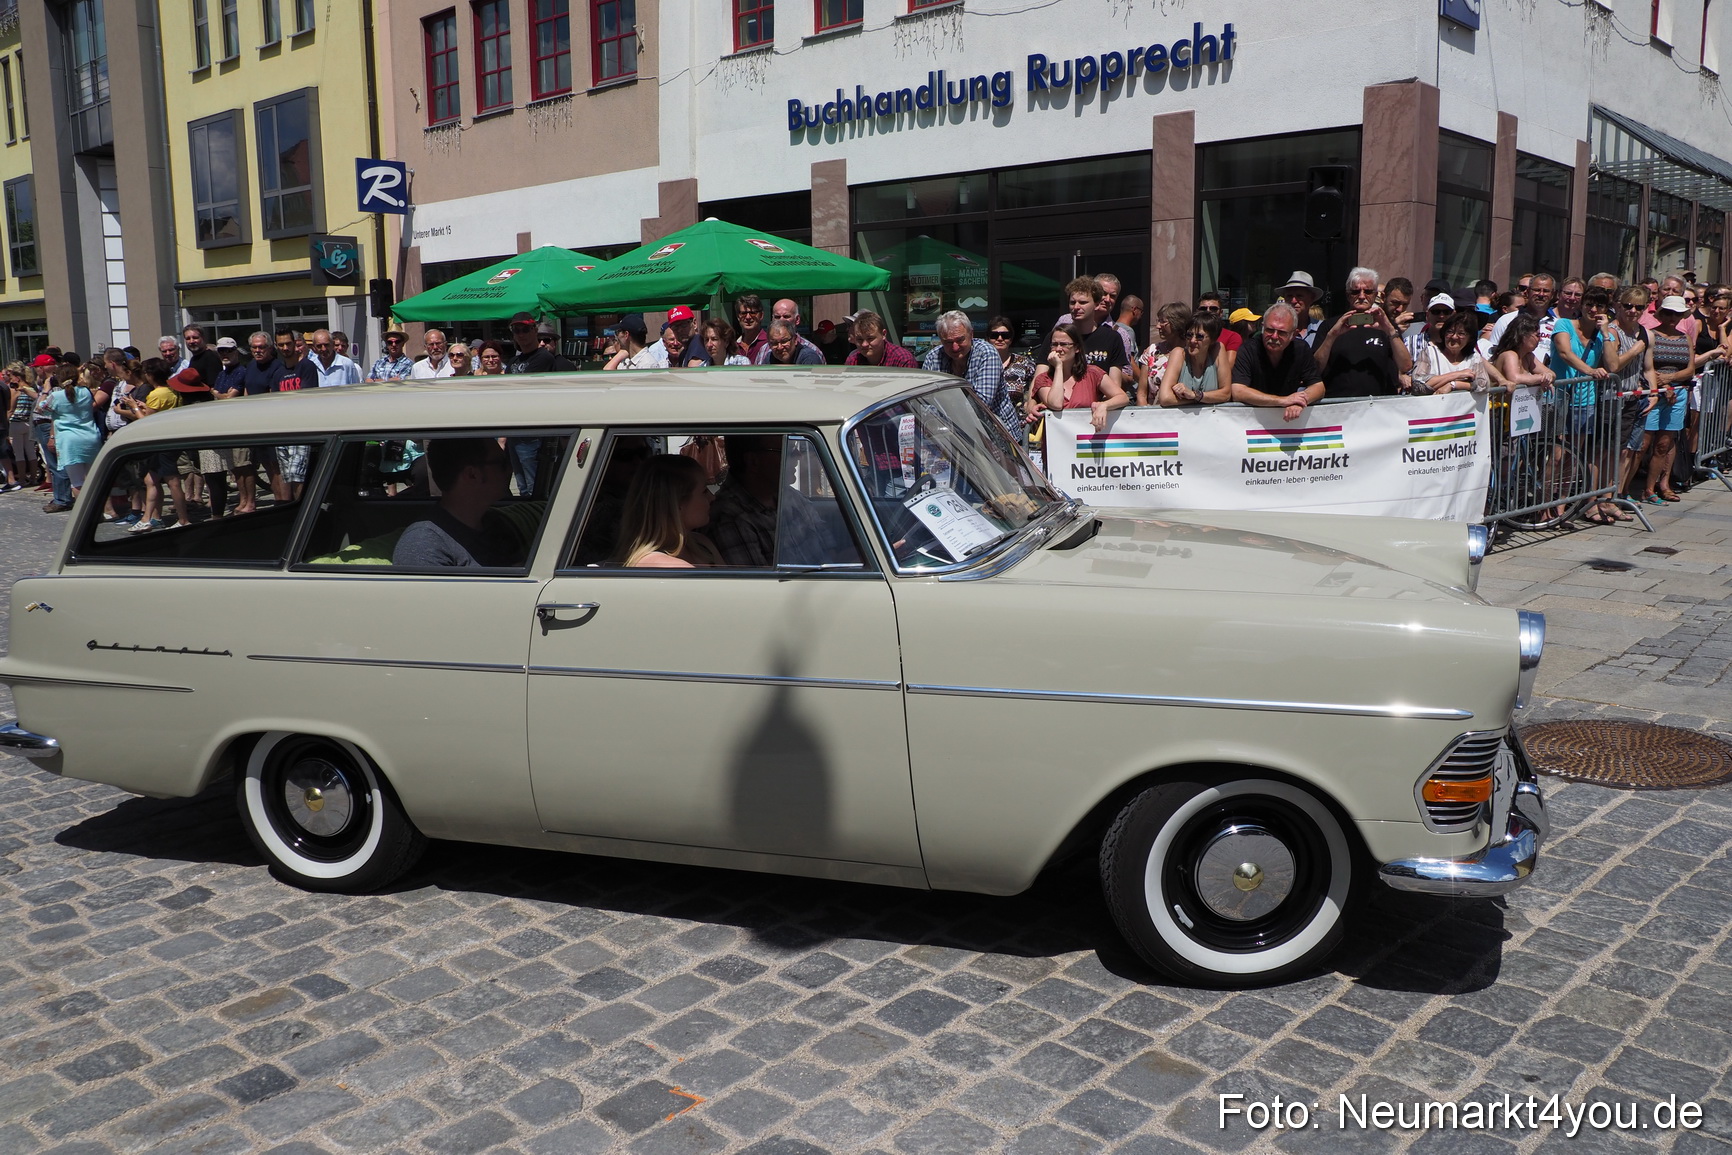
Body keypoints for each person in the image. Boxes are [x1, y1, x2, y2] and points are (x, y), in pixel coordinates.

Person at [393, 438, 518, 568]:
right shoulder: (423, 545)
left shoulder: (496, 524)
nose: (510, 469)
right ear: (472, 474)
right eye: (503, 463)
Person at [708, 434, 828, 567]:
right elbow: (758, 585)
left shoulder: (791, 496)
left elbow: (829, 549)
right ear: (753, 461)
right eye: (787, 450)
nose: (798, 456)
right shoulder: (730, 518)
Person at [1027, 277, 1129, 422]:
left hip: (1093, 417)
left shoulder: (1112, 338)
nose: (1076, 307)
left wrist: (1102, 406)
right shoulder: (1056, 338)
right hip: (1057, 414)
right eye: (1072, 302)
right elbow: (1040, 377)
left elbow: (1115, 385)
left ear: (1096, 304)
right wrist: (1031, 405)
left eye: (1083, 302)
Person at [610, 454, 722, 568]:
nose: (712, 497)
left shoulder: (701, 544)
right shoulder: (661, 565)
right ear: (678, 503)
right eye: (704, 491)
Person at [1314, 267, 1411, 397]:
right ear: (1348, 295)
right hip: (1338, 409)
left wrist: (1390, 330)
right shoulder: (1329, 326)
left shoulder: (1386, 327)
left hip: (1378, 408)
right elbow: (1315, 368)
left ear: (1376, 295)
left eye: (1368, 291)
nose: (1361, 296)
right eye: (1355, 291)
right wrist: (1331, 336)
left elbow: (1405, 366)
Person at [1639, 295, 1697, 504]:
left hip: (1678, 394)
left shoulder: (1685, 338)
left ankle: (1651, 488)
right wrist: (1662, 386)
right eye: (1669, 313)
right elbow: (1645, 366)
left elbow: (1690, 369)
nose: (1673, 317)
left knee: (1664, 444)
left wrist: (1671, 379)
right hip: (1653, 392)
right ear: (1661, 314)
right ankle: (1626, 488)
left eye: (1677, 314)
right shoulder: (1650, 334)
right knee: (1643, 443)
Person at [924, 311, 1019, 432]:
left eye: (960, 340)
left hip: (998, 434)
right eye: (948, 342)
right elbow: (925, 402)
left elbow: (981, 405)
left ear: (971, 334)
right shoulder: (933, 357)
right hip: (953, 434)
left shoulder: (986, 353)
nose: (955, 347)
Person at [1229, 301, 1324, 420]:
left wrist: (1300, 401)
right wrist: (1283, 401)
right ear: (1262, 327)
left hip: (1289, 422)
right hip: (1252, 421)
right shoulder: (1248, 349)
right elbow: (1238, 391)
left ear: (1293, 335)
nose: (1274, 337)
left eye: (1282, 332)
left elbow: (1318, 387)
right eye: (1269, 330)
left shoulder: (1301, 349)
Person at [1038, 323, 1129, 430]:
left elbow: (1122, 397)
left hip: (1085, 440)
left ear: (1077, 348)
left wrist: (1104, 406)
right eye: (1054, 344)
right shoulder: (1043, 379)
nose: (1058, 349)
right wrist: (1058, 367)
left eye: (1064, 344)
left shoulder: (1093, 373)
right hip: (1058, 442)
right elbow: (1056, 404)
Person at [45, 362, 108, 507]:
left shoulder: (56, 396)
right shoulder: (85, 392)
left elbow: (41, 410)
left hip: (69, 441)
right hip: (90, 437)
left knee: (77, 482)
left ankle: (84, 511)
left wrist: (45, 391)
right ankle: (103, 509)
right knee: (94, 478)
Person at [1158, 314, 1233, 406]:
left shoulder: (1217, 350)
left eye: (1199, 336)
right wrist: (1196, 398)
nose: (1193, 340)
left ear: (1212, 340)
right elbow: (1165, 398)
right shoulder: (1178, 354)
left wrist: (1195, 395)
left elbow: (1226, 394)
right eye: (1189, 335)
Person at [1410, 309, 1490, 395]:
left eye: (1461, 333)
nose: (1454, 337)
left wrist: (1453, 385)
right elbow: (1418, 385)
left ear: (1470, 338)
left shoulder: (1474, 357)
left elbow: (1484, 385)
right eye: (1450, 332)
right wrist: (1457, 375)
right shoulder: (1429, 352)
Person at [1135, 302, 1191, 405]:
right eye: (1158, 321)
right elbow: (1141, 394)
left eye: (1163, 322)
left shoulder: (1192, 352)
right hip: (1154, 415)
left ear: (1177, 323)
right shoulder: (1152, 351)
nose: (1157, 326)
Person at [986, 315, 1036, 411]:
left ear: (1011, 339)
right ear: (988, 339)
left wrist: (1030, 404)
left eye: (1005, 335)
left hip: (1018, 422)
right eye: (994, 335)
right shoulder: (981, 365)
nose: (1000, 338)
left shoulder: (1025, 364)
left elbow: (1036, 391)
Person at [505, 311, 576, 375]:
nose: (521, 334)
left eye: (525, 329)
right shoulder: (513, 361)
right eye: (516, 330)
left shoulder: (544, 357)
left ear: (535, 331)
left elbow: (527, 385)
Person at [845, 311, 918, 367]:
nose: (864, 344)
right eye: (859, 339)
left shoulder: (903, 360)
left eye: (870, 338)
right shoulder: (853, 361)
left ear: (883, 334)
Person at [1276, 272, 1325, 346]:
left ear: (1311, 298)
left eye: (1299, 296)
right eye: (1289, 296)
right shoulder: (1275, 329)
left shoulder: (1322, 329)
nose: (1293, 301)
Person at [760, 320, 825, 365]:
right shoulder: (769, 358)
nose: (779, 347)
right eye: (774, 343)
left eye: (784, 341)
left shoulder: (809, 358)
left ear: (795, 340)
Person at [734, 294, 768, 363]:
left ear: (761, 315)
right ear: (738, 317)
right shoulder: (733, 346)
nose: (748, 317)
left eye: (753, 313)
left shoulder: (769, 343)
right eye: (744, 313)